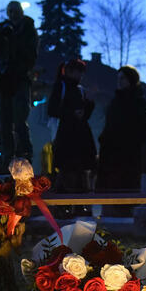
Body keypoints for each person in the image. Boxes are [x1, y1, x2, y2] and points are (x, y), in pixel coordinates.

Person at [0, 0, 38, 163]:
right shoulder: (3, 28)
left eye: (16, 11)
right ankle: (7, 156)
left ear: (21, 12)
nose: (13, 14)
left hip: (20, 78)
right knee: (3, 120)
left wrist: (15, 41)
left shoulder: (28, 29)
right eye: (10, 11)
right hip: (5, 80)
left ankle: (25, 153)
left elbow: (31, 56)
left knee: (19, 119)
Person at [47, 58, 96, 208]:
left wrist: (88, 104)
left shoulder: (80, 90)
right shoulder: (61, 86)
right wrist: (72, 113)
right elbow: (52, 109)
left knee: (79, 173)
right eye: (78, 72)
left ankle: (78, 207)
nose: (80, 76)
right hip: (67, 138)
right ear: (69, 71)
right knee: (68, 173)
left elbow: (85, 116)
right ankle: (65, 207)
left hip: (79, 139)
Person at [96, 65, 146, 193]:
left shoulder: (139, 102)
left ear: (130, 80)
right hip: (111, 154)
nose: (119, 81)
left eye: (123, 78)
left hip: (129, 154)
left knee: (127, 187)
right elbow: (110, 125)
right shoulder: (115, 101)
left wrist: (132, 140)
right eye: (118, 78)